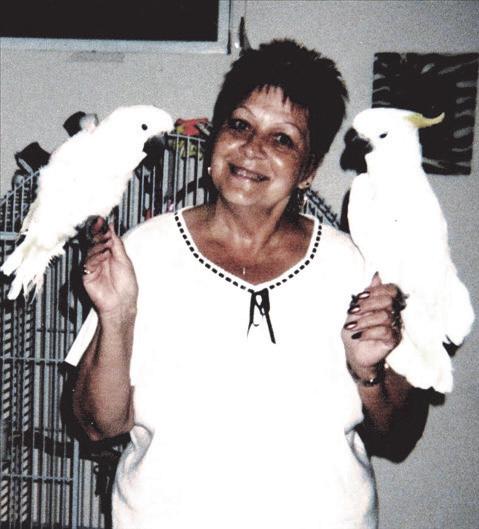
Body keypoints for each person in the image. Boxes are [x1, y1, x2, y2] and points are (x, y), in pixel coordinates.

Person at [66, 40, 429, 529]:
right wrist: (118, 316)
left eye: (283, 140)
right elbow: (96, 425)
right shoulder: (142, 251)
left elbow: (400, 435)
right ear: (215, 138)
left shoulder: (358, 263)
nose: (253, 149)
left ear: (309, 169)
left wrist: (369, 371)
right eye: (240, 125)